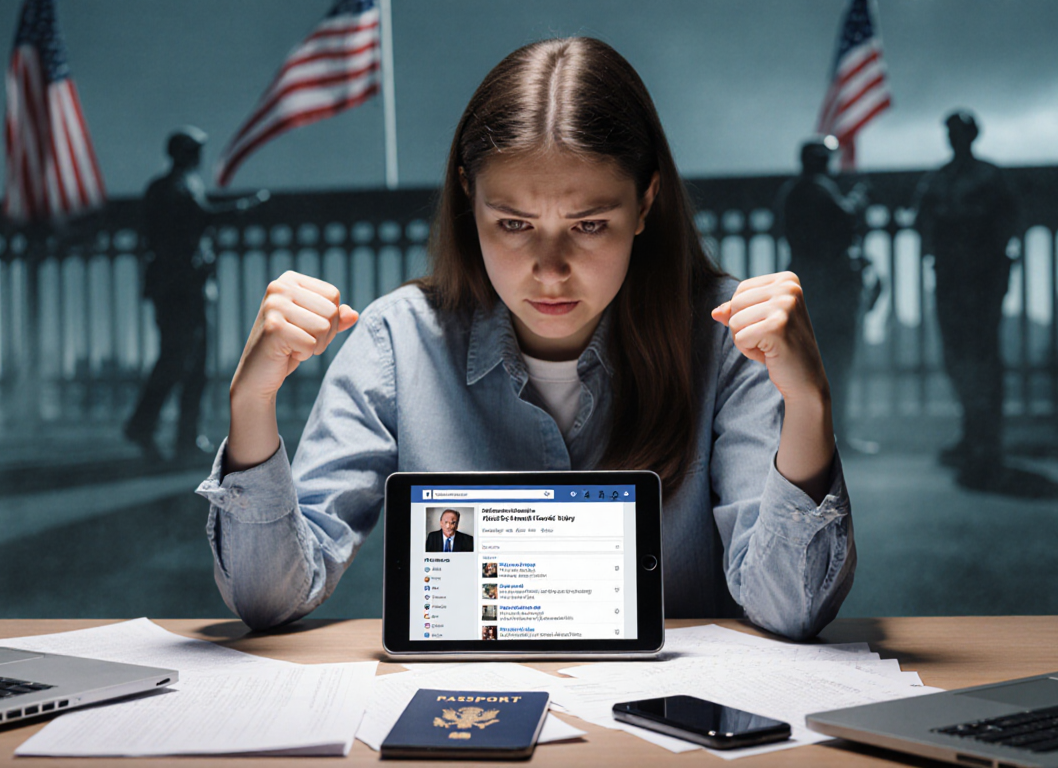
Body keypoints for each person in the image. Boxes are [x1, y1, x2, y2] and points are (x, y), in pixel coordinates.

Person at [197, 38, 855, 641]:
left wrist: (810, 406)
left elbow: (789, 607)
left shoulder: (725, 336)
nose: (548, 267)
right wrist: (252, 402)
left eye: (589, 224)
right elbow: (269, 597)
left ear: (646, 201)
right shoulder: (400, 338)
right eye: (513, 223)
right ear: (467, 198)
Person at [124, 126, 268, 461]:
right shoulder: (176, 187)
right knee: (180, 360)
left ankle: (180, 434)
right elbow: (200, 217)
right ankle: (152, 428)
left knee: (189, 361)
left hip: (181, 287)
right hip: (181, 289)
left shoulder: (169, 186)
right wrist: (246, 207)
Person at [913, 111, 1018, 487]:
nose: (954, 138)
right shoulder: (939, 179)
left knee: (983, 356)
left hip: (981, 277)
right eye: (951, 132)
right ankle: (973, 431)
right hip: (952, 276)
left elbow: (1006, 223)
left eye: (959, 132)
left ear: (972, 135)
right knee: (956, 356)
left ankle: (987, 438)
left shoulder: (988, 177)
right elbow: (922, 221)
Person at [776, 137, 873, 453]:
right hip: (831, 289)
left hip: (807, 287)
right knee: (836, 363)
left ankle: (813, 438)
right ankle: (836, 436)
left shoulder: (792, 192)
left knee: (808, 365)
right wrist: (858, 197)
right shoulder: (818, 189)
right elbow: (845, 221)